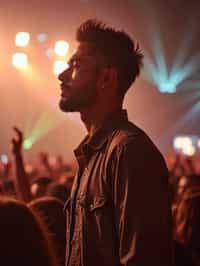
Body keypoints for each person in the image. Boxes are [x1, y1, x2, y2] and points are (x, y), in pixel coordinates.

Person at [58, 19, 173, 266]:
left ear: (107, 78)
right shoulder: (91, 154)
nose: (62, 74)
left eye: (77, 64)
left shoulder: (129, 152)